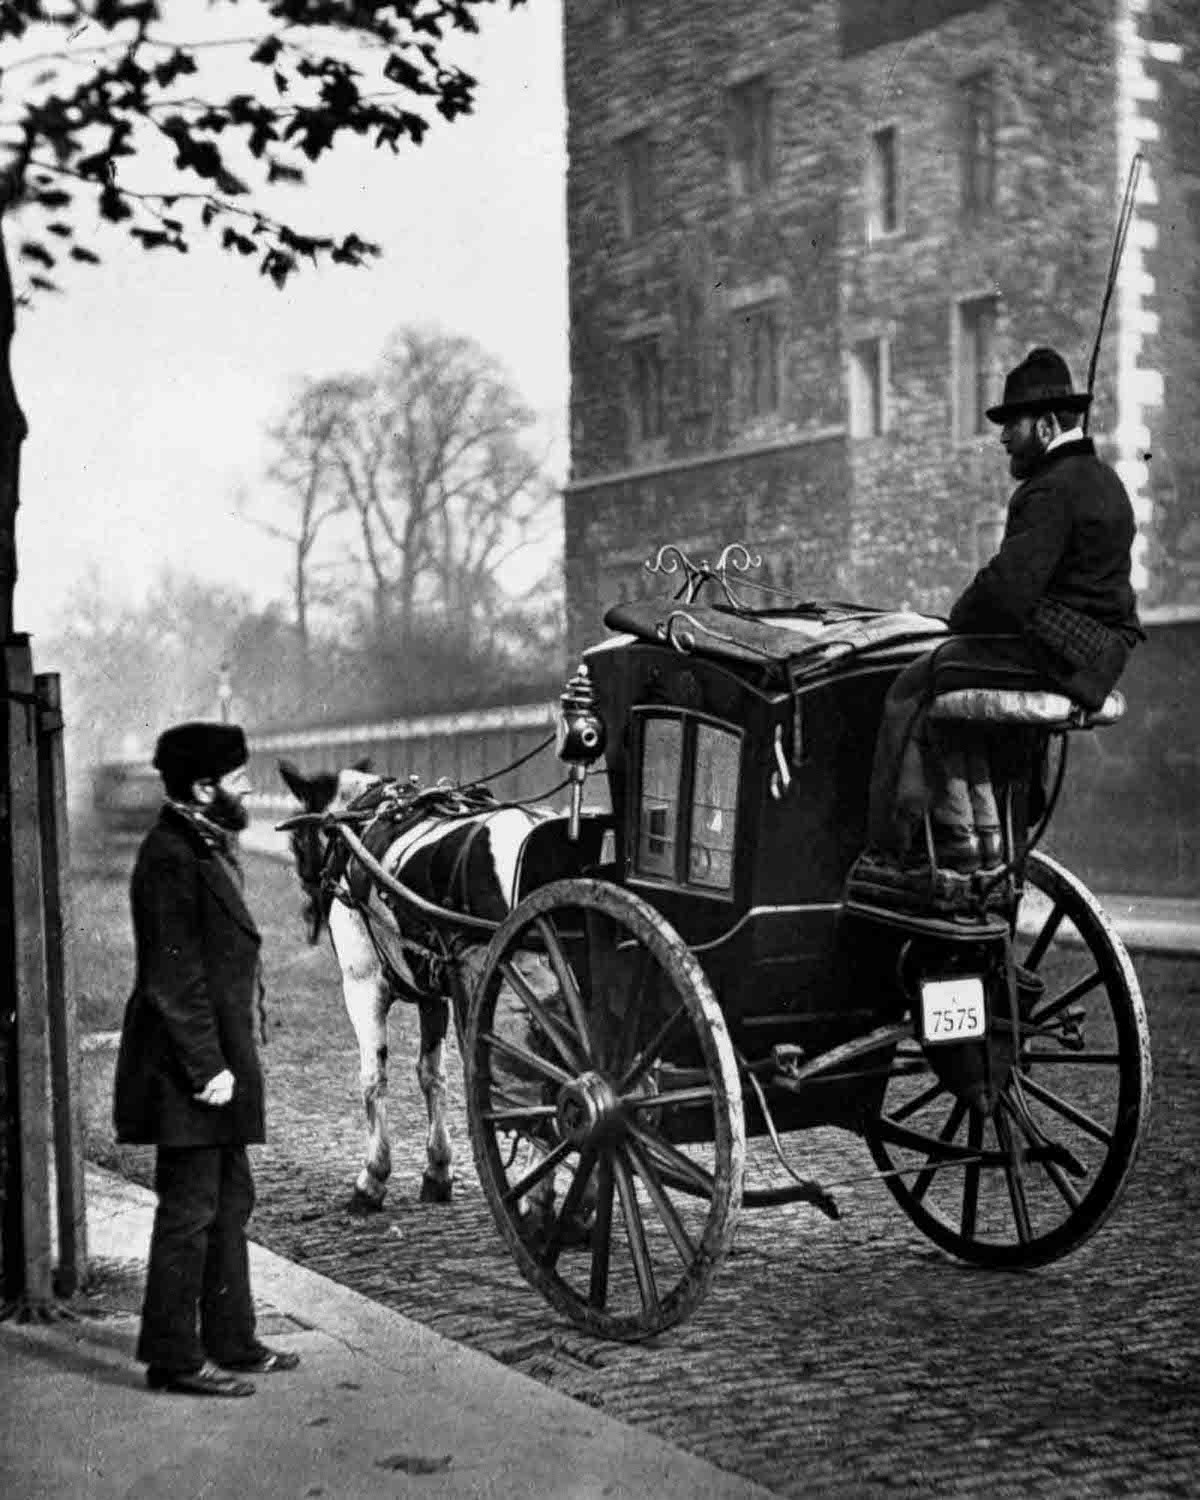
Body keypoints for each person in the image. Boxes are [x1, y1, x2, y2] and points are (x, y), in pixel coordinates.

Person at [866, 346, 1143, 873]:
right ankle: (987, 830)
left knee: (915, 682)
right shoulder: (1105, 482)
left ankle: (907, 844)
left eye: (1010, 425)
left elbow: (1006, 592)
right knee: (954, 687)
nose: (1001, 439)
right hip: (1098, 658)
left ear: (1043, 427)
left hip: (1057, 657)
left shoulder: (1049, 490)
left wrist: (956, 620)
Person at [113, 720, 299, 1397]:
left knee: (229, 1201)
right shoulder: (169, 856)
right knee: (189, 1210)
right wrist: (208, 1068)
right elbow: (172, 977)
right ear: (202, 786)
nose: (248, 785)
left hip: (214, 1062)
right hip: (186, 1070)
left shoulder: (200, 844)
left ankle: (233, 1340)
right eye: (237, 776)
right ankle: (174, 1360)